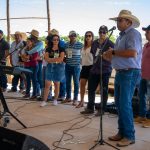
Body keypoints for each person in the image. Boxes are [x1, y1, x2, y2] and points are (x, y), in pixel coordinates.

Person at [103, 10, 142, 147]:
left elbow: (132, 53)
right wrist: (109, 55)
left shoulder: (133, 34)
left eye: (120, 20)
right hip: (121, 72)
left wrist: (113, 52)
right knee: (119, 104)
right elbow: (119, 55)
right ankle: (121, 132)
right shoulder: (120, 37)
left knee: (124, 104)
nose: (117, 23)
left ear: (129, 22)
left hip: (129, 73)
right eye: (117, 20)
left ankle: (129, 136)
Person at [80, 26, 114, 115]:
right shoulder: (94, 43)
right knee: (91, 89)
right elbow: (93, 54)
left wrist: (106, 56)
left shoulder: (110, 43)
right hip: (94, 69)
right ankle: (90, 108)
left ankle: (102, 109)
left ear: (106, 33)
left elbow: (113, 58)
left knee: (104, 90)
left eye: (104, 32)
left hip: (105, 70)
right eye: (100, 32)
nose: (102, 34)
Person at [40, 34, 65, 107]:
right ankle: (44, 101)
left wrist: (51, 60)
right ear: (52, 40)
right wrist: (55, 60)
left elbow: (61, 59)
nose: (56, 41)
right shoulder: (48, 48)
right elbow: (46, 59)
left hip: (58, 68)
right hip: (50, 67)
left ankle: (55, 100)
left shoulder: (61, 49)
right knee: (47, 84)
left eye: (57, 39)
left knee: (57, 84)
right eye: (54, 39)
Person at [134, 25, 150, 128]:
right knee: (142, 96)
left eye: (147, 32)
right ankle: (142, 116)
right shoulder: (146, 45)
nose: (145, 33)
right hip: (143, 75)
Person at [62, 31, 83, 106]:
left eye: (74, 35)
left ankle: (75, 99)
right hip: (67, 66)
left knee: (76, 83)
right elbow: (63, 54)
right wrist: (64, 59)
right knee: (67, 82)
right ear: (69, 36)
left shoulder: (80, 45)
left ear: (76, 36)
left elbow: (83, 55)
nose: (73, 37)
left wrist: (81, 64)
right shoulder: (66, 45)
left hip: (76, 67)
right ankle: (68, 97)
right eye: (71, 35)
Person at [76, 31, 94, 108]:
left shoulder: (94, 46)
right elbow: (82, 58)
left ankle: (91, 104)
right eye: (86, 35)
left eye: (90, 35)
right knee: (82, 84)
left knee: (91, 87)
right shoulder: (83, 47)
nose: (88, 37)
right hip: (84, 67)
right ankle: (81, 101)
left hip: (91, 67)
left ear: (92, 37)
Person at [26, 29, 44, 97]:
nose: (30, 35)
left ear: (34, 36)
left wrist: (27, 53)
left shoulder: (40, 43)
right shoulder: (31, 43)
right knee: (33, 77)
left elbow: (35, 50)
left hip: (38, 61)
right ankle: (36, 92)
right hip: (31, 61)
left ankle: (39, 93)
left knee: (38, 78)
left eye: (31, 35)